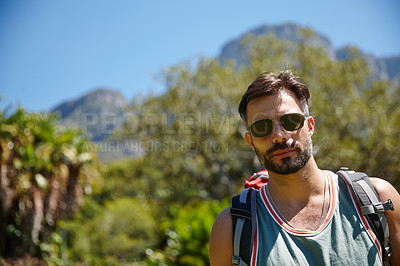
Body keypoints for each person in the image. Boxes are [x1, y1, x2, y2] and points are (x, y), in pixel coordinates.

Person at [209, 70, 400, 265]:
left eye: (290, 121)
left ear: (310, 126)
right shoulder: (230, 228)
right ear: (250, 141)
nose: (279, 135)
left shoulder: (379, 199)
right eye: (261, 127)